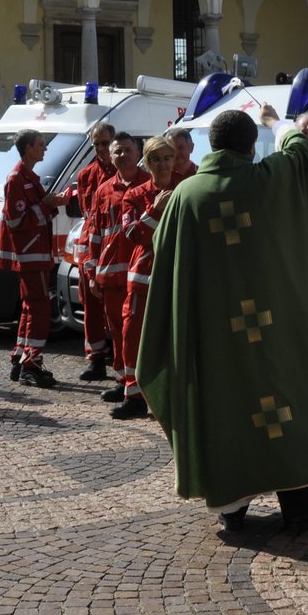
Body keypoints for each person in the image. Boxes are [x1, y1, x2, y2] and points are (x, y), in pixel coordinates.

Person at [138, 108, 308, 532]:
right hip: (272, 331)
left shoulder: (187, 196)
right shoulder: (267, 181)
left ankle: (231, 506)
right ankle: (297, 505)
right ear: (251, 147)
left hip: (216, 339)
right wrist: (274, 121)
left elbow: (165, 252)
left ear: (210, 146)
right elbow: (300, 150)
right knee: (280, 407)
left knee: (226, 408)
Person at [116, 135, 179, 419]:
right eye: (156, 159)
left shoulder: (186, 189)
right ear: (148, 162)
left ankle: (170, 396)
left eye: (168, 158)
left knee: (173, 338)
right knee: (133, 336)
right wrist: (155, 209)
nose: (163, 164)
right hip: (142, 277)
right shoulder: (135, 195)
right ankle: (134, 395)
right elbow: (134, 236)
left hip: (177, 276)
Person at [83, 132, 148, 403]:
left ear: (138, 153)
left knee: (137, 331)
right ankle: (123, 381)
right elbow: (94, 233)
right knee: (118, 333)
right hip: (110, 275)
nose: (122, 155)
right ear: (110, 156)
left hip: (139, 272)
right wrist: (91, 272)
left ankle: (141, 384)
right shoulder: (104, 190)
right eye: (117, 151)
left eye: (127, 150)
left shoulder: (149, 183)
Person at [0, 129, 65, 387]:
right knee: (40, 308)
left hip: (36, 251)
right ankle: (32, 365)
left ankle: (20, 358)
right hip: (31, 252)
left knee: (29, 307)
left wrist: (50, 203)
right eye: (40, 145)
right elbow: (16, 220)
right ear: (27, 148)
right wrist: (45, 205)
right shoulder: (17, 179)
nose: (44, 149)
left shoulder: (28, 177)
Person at [73, 121, 118, 381]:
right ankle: (96, 359)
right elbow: (86, 215)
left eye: (105, 143)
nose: (100, 148)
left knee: (115, 307)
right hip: (90, 248)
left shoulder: (124, 171)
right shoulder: (85, 175)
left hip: (114, 250)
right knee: (91, 306)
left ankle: (120, 358)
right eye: (96, 143)